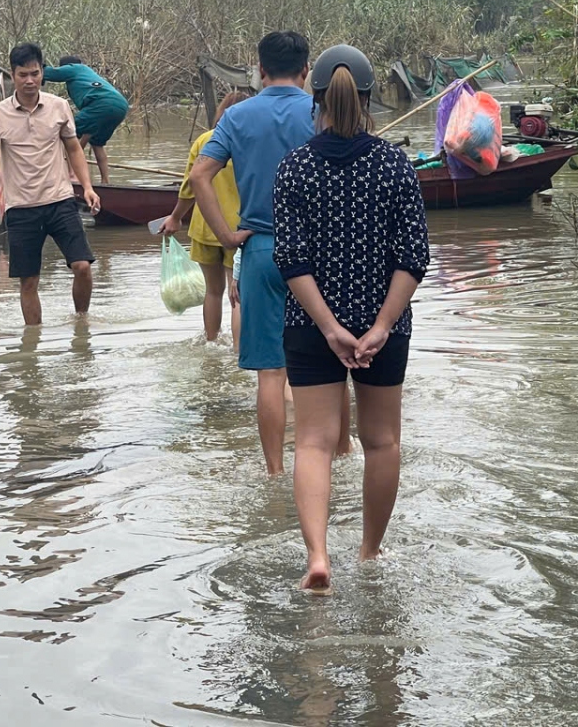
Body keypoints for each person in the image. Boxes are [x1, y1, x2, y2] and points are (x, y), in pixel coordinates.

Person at [272, 44, 430, 594]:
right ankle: (369, 551)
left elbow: (290, 260)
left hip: (311, 325)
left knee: (314, 441)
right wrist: (380, 326)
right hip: (382, 325)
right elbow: (413, 257)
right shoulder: (394, 165)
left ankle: (317, 557)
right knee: (382, 441)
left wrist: (329, 328)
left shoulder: (294, 167)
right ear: (367, 101)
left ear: (315, 100)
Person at [191, 31, 351, 476]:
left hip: (261, 248)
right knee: (335, 356)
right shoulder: (320, 112)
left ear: (260, 69)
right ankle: (341, 455)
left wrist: (226, 235)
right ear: (306, 71)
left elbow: (201, 175)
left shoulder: (238, 116)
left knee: (271, 373)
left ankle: (276, 472)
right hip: (321, 252)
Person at [0, 43, 101, 326]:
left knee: (82, 266)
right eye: (23, 75)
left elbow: (74, 149)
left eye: (35, 73)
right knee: (29, 281)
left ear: (42, 72)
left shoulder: (58, 107)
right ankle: (32, 342)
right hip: (21, 208)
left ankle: (82, 322)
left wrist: (88, 187)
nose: (30, 81)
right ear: (13, 75)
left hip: (60, 201)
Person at [158, 91, 250, 347]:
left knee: (213, 291)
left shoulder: (205, 140)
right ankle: (238, 352)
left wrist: (176, 217)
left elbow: (190, 185)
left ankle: (211, 343)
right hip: (239, 230)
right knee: (238, 295)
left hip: (204, 227)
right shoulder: (250, 141)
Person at [42, 56, 130, 185]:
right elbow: (86, 133)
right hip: (120, 105)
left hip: (102, 103)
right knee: (97, 143)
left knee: (66, 131)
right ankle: (105, 182)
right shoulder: (86, 76)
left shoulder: (75, 68)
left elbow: (48, 72)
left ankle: (72, 175)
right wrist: (78, 151)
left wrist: (37, 65)